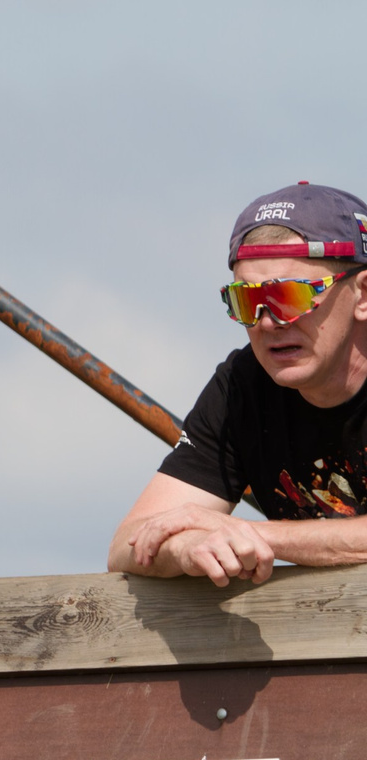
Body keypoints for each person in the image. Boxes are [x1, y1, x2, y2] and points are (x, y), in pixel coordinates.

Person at [110, 181, 367, 587]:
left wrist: (249, 534)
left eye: (290, 296)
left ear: (362, 294)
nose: (267, 321)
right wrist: (187, 547)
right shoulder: (241, 388)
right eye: (246, 300)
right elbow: (127, 542)